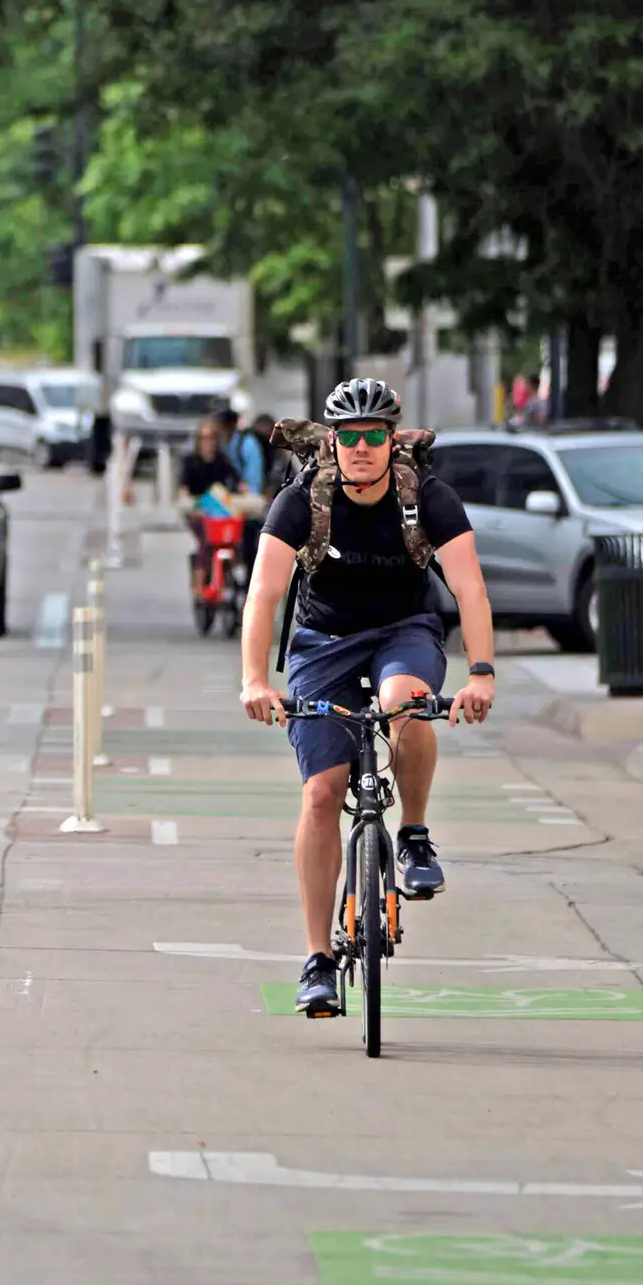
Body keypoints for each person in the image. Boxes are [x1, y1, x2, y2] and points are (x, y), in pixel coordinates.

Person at [239, 378, 497, 1017]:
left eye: (373, 436)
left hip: (403, 633)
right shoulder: (301, 502)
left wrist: (482, 674)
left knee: (405, 702)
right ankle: (317, 960)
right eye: (348, 436)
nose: (360, 448)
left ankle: (412, 835)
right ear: (332, 442)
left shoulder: (428, 499)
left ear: (390, 441)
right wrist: (253, 680)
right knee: (322, 792)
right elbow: (264, 596)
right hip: (322, 642)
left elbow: (470, 589)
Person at [179, 419, 245, 593]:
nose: (208, 443)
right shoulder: (191, 461)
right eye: (204, 438)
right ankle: (199, 583)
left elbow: (236, 481)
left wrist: (241, 490)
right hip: (200, 511)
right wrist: (191, 504)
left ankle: (236, 573)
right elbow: (184, 489)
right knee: (205, 541)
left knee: (236, 538)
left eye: (211, 438)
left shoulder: (222, 460)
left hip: (221, 512)